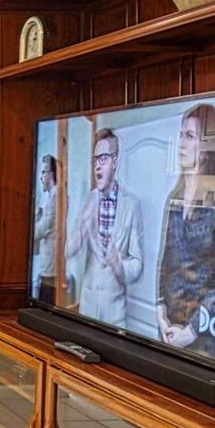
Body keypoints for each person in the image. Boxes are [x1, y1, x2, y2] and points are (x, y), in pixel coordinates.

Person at [155, 103, 215, 361]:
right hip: (169, 329)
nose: (181, 144)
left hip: (203, 339)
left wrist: (191, 330)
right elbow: (165, 261)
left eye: (190, 136)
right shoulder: (176, 195)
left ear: (207, 146)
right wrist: (160, 309)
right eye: (181, 135)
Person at [64, 128, 143, 326]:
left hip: (115, 313)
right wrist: (82, 229)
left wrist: (119, 265)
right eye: (95, 160)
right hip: (87, 308)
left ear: (115, 162)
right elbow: (68, 250)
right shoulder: (87, 201)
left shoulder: (131, 205)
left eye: (103, 159)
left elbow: (138, 264)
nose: (97, 166)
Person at [32, 154, 59, 303]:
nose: (41, 177)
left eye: (43, 172)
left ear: (52, 174)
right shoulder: (49, 197)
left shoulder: (55, 197)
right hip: (46, 264)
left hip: (51, 267)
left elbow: (42, 229)